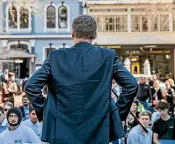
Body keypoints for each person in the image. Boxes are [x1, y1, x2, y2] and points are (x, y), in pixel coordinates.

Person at [25, 15, 138, 144]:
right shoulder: (108, 56)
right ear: (94, 34)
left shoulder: (56, 57)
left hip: (62, 128)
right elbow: (132, 85)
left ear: (73, 33)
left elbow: (31, 86)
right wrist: (118, 114)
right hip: (99, 127)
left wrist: (45, 111)